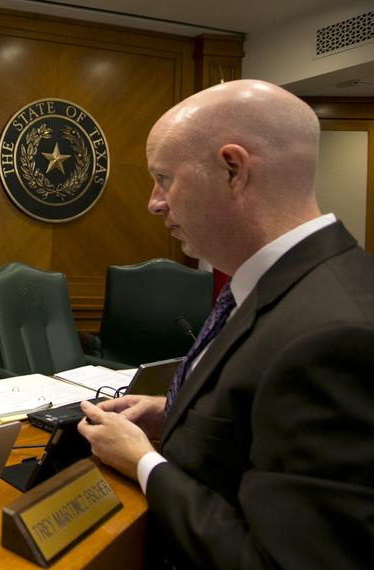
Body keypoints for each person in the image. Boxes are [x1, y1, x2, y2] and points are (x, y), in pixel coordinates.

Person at [78, 80, 374, 568]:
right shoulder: (290, 284)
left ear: (233, 170)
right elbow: (265, 413)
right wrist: (176, 412)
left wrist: (143, 462)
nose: (154, 202)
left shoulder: (335, 336)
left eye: (164, 178)